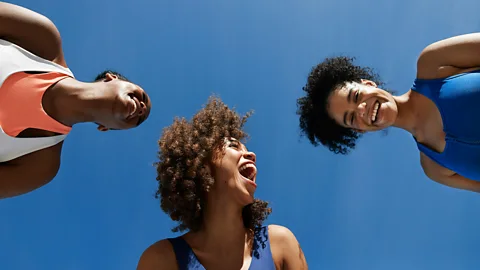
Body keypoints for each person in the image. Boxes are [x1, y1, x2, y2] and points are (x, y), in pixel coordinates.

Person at [0, 2, 151, 199]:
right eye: (142, 97)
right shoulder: (43, 38)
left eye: (140, 119)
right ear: (111, 77)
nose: (140, 108)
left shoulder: (40, 166)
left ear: (105, 128)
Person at [137, 96, 307, 270]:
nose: (252, 155)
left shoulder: (280, 243)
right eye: (234, 146)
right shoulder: (161, 259)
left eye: (247, 149)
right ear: (201, 164)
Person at [296, 33, 480, 193]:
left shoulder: (434, 62)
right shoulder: (436, 169)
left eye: (356, 95)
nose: (361, 109)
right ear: (359, 130)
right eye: (351, 118)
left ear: (368, 83)